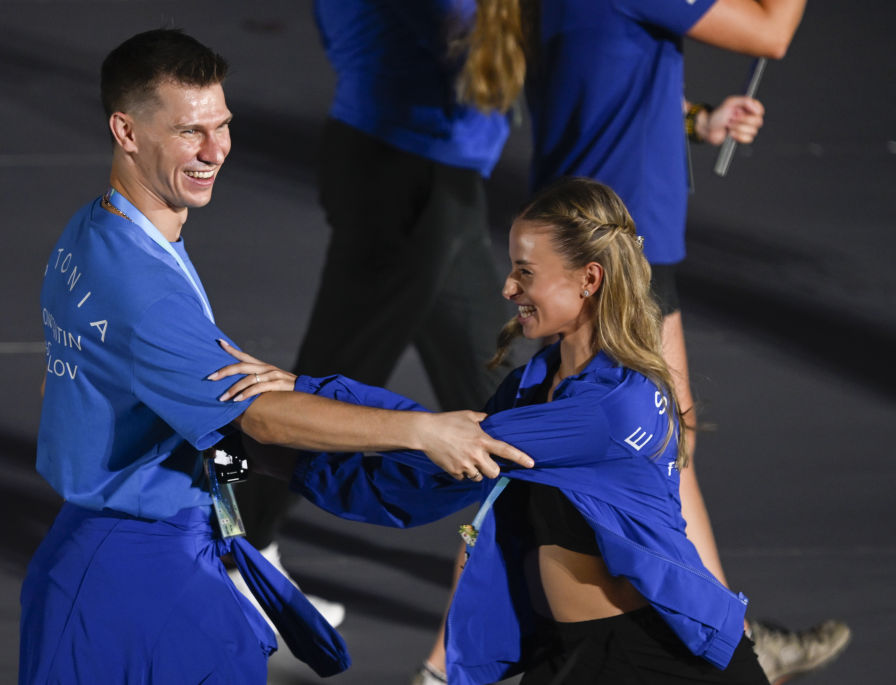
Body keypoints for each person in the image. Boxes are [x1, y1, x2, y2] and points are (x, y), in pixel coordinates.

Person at [19, 28, 534, 684]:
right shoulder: (145, 292)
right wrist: (422, 430)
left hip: (91, 558)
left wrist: (229, 460)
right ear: (126, 131)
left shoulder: (91, 233)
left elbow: (66, 387)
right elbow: (258, 416)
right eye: (189, 132)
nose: (215, 151)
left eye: (222, 125)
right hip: (145, 580)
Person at [411, 1, 850, 682]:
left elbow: (600, 84)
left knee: (645, 441)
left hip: (597, 221)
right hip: (622, 237)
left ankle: (720, 624)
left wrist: (696, 120)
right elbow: (770, 31)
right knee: (598, 444)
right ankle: (448, 663)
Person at [242, 177, 772, 684]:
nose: (507, 287)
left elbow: (437, 444)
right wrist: (257, 456)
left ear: (589, 279)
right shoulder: (535, 384)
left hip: (659, 660)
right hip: (573, 653)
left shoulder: (609, 409)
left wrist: (308, 396)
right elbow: (425, 478)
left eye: (525, 272)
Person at [228, 0, 521, 627]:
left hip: (428, 172)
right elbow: (482, 45)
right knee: (323, 388)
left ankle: (577, 575)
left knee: (505, 400)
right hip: (406, 174)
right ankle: (234, 556)